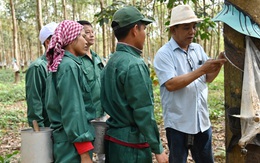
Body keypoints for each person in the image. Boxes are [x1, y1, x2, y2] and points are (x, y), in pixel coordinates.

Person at [153, 5, 226, 163]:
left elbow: (207, 78)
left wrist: (217, 64)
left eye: (193, 27)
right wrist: (202, 70)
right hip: (178, 123)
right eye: (186, 28)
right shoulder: (164, 54)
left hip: (201, 121)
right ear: (174, 30)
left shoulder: (197, 49)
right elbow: (171, 84)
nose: (192, 32)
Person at [101, 6, 168, 163]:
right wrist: (157, 148)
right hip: (131, 146)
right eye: (144, 28)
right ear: (135, 30)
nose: (145, 34)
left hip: (114, 141)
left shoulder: (111, 62)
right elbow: (143, 111)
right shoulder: (134, 64)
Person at [45, 20, 94, 163]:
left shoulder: (65, 64)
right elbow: (73, 111)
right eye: (82, 36)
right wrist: (84, 152)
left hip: (69, 141)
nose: (86, 40)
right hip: (72, 146)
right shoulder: (68, 67)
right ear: (71, 39)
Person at [77, 20, 106, 162]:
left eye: (92, 32)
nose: (91, 35)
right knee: (86, 153)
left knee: (102, 151)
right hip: (85, 116)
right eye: (86, 33)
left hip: (101, 113)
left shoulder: (96, 58)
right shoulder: (77, 61)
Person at [25, 22, 58, 127]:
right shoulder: (37, 67)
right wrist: (40, 131)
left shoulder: (62, 65)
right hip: (48, 128)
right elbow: (34, 102)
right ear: (48, 42)